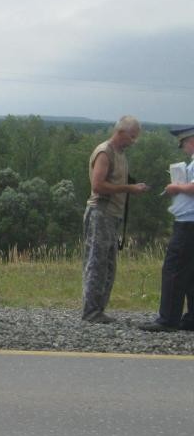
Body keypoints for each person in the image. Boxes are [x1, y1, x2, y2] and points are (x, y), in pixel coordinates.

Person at [81, 115, 148, 323]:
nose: (133, 141)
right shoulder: (105, 152)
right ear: (121, 132)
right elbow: (98, 186)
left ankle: (98, 310)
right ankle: (91, 312)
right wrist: (129, 188)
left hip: (112, 215)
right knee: (97, 263)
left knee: (108, 265)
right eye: (132, 137)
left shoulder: (120, 154)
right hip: (101, 213)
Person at [139, 125, 194, 331]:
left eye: (183, 143)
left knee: (174, 270)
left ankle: (168, 319)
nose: (183, 148)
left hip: (188, 224)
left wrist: (176, 187)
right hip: (189, 222)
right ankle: (191, 319)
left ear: (191, 140)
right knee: (190, 272)